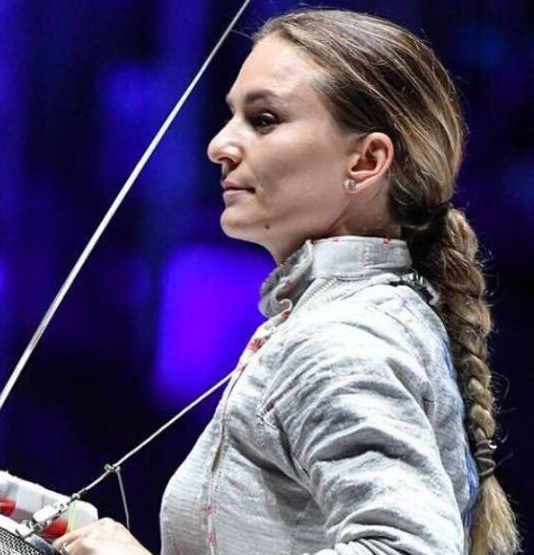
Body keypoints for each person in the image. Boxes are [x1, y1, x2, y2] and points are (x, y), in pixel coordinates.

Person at [52, 8, 519, 555]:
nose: (219, 145)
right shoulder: (345, 318)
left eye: (265, 119)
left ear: (366, 161)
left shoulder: (347, 337)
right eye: (232, 115)